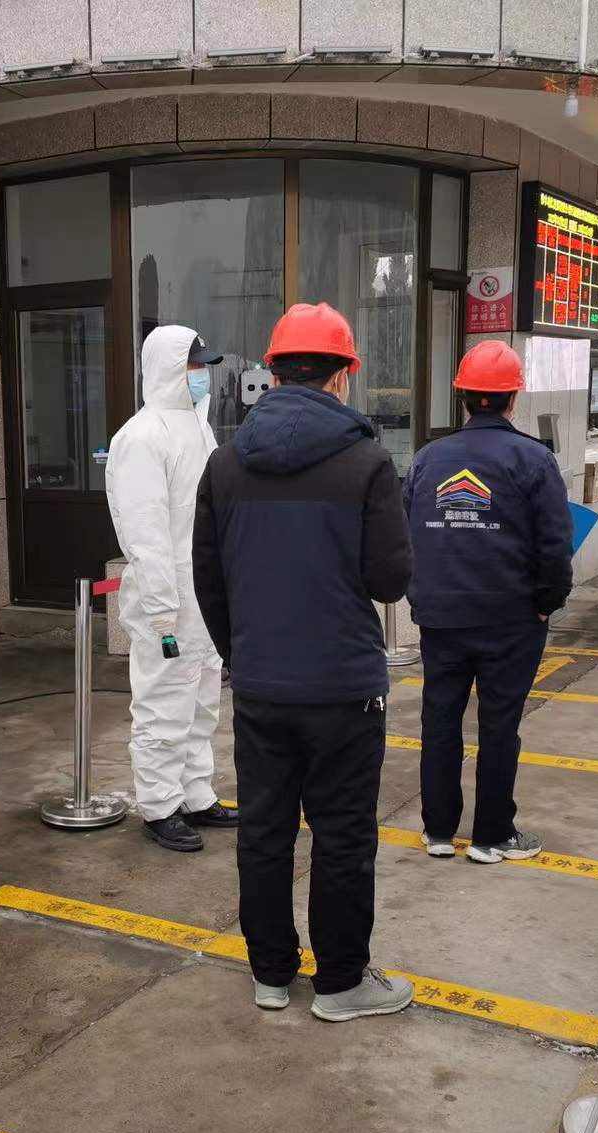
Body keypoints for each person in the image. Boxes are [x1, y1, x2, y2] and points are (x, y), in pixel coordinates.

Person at [193, 302, 415, 1022]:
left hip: (261, 685)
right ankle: (341, 984)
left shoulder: (225, 464)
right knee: (342, 835)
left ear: (274, 371)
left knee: (264, 832)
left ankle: (269, 974)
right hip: (343, 687)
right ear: (343, 375)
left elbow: (208, 579)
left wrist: (243, 656)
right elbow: (390, 580)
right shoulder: (368, 461)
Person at [402, 339, 573, 865]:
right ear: (512, 398)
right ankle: (492, 836)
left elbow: (406, 534)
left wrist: (421, 594)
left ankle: (437, 830)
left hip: (441, 617)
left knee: (440, 721)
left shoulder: (427, 459)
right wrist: (547, 601)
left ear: (462, 397)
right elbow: (554, 544)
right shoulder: (534, 459)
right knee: (499, 725)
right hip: (511, 618)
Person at [106, 326, 238, 852]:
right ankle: (160, 804)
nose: (201, 375)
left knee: (202, 699)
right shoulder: (141, 436)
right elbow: (145, 532)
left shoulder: (199, 429)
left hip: (203, 594)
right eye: (193, 365)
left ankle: (196, 793)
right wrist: (162, 610)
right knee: (163, 702)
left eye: (203, 366)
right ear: (167, 367)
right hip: (167, 597)